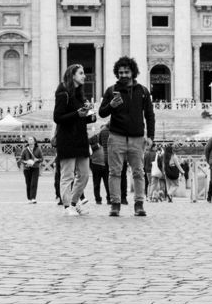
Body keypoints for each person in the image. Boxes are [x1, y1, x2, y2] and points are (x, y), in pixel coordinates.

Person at [98, 56, 154, 217]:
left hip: (137, 138)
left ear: (133, 72)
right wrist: (111, 105)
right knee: (114, 172)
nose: (123, 75)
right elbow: (102, 113)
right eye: (120, 72)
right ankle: (115, 204)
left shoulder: (142, 91)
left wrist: (150, 136)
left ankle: (139, 203)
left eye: (126, 72)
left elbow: (150, 115)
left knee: (138, 172)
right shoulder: (110, 91)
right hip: (116, 136)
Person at [52, 64, 94, 216]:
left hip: (81, 138)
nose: (84, 76)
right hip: (67, 139)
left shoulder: (79, 94)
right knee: (67, 175)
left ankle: (74, 203)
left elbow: (84, 118)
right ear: (73, 75)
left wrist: (91, 114)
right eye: (81, 73)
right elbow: (57, 117)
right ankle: (66, 206)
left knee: (84, 174)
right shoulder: (63, 92)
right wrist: (77, 114)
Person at [88, 127, 109, 206]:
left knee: (107, 183)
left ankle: (109, 199)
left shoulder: (108, 138)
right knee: (96, 183)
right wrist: (95, 146)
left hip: (105, 164)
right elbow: (88, 150)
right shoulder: (93, 139)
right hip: (95, 164)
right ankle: (98, 199)